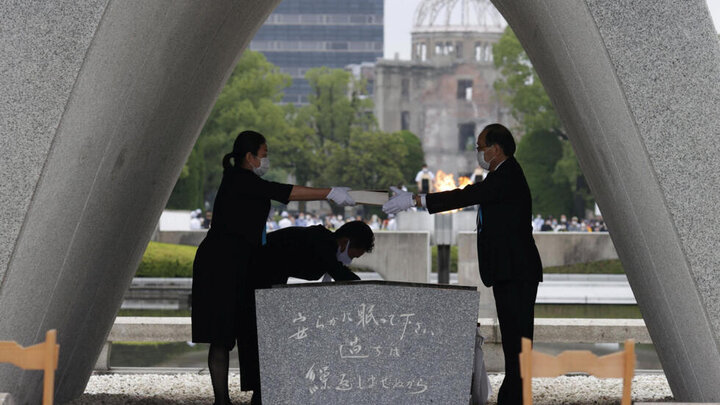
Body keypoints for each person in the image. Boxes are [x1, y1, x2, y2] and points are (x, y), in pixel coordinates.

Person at [191, 130, 356, 405]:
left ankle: (253, 393)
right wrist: (330, 192)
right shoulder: (238, 180)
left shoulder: (244, 180)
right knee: (220, 336)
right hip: (220, 265)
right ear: (250, 156)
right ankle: (221, 400)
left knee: (248, 329)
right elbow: (285, 192)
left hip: (243, 262)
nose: (265, 160)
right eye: (264, 155)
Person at [383, 123, 542, 405]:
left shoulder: (506, 175)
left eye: (480, 147)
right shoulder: (503, 174)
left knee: (518, 344)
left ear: (495, 149)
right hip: (511, 270)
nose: (478, 152)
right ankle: (513, 396)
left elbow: (466, 195)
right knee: (514, 343)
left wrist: (416, 200)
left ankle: (515, 398)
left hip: (516, 271)